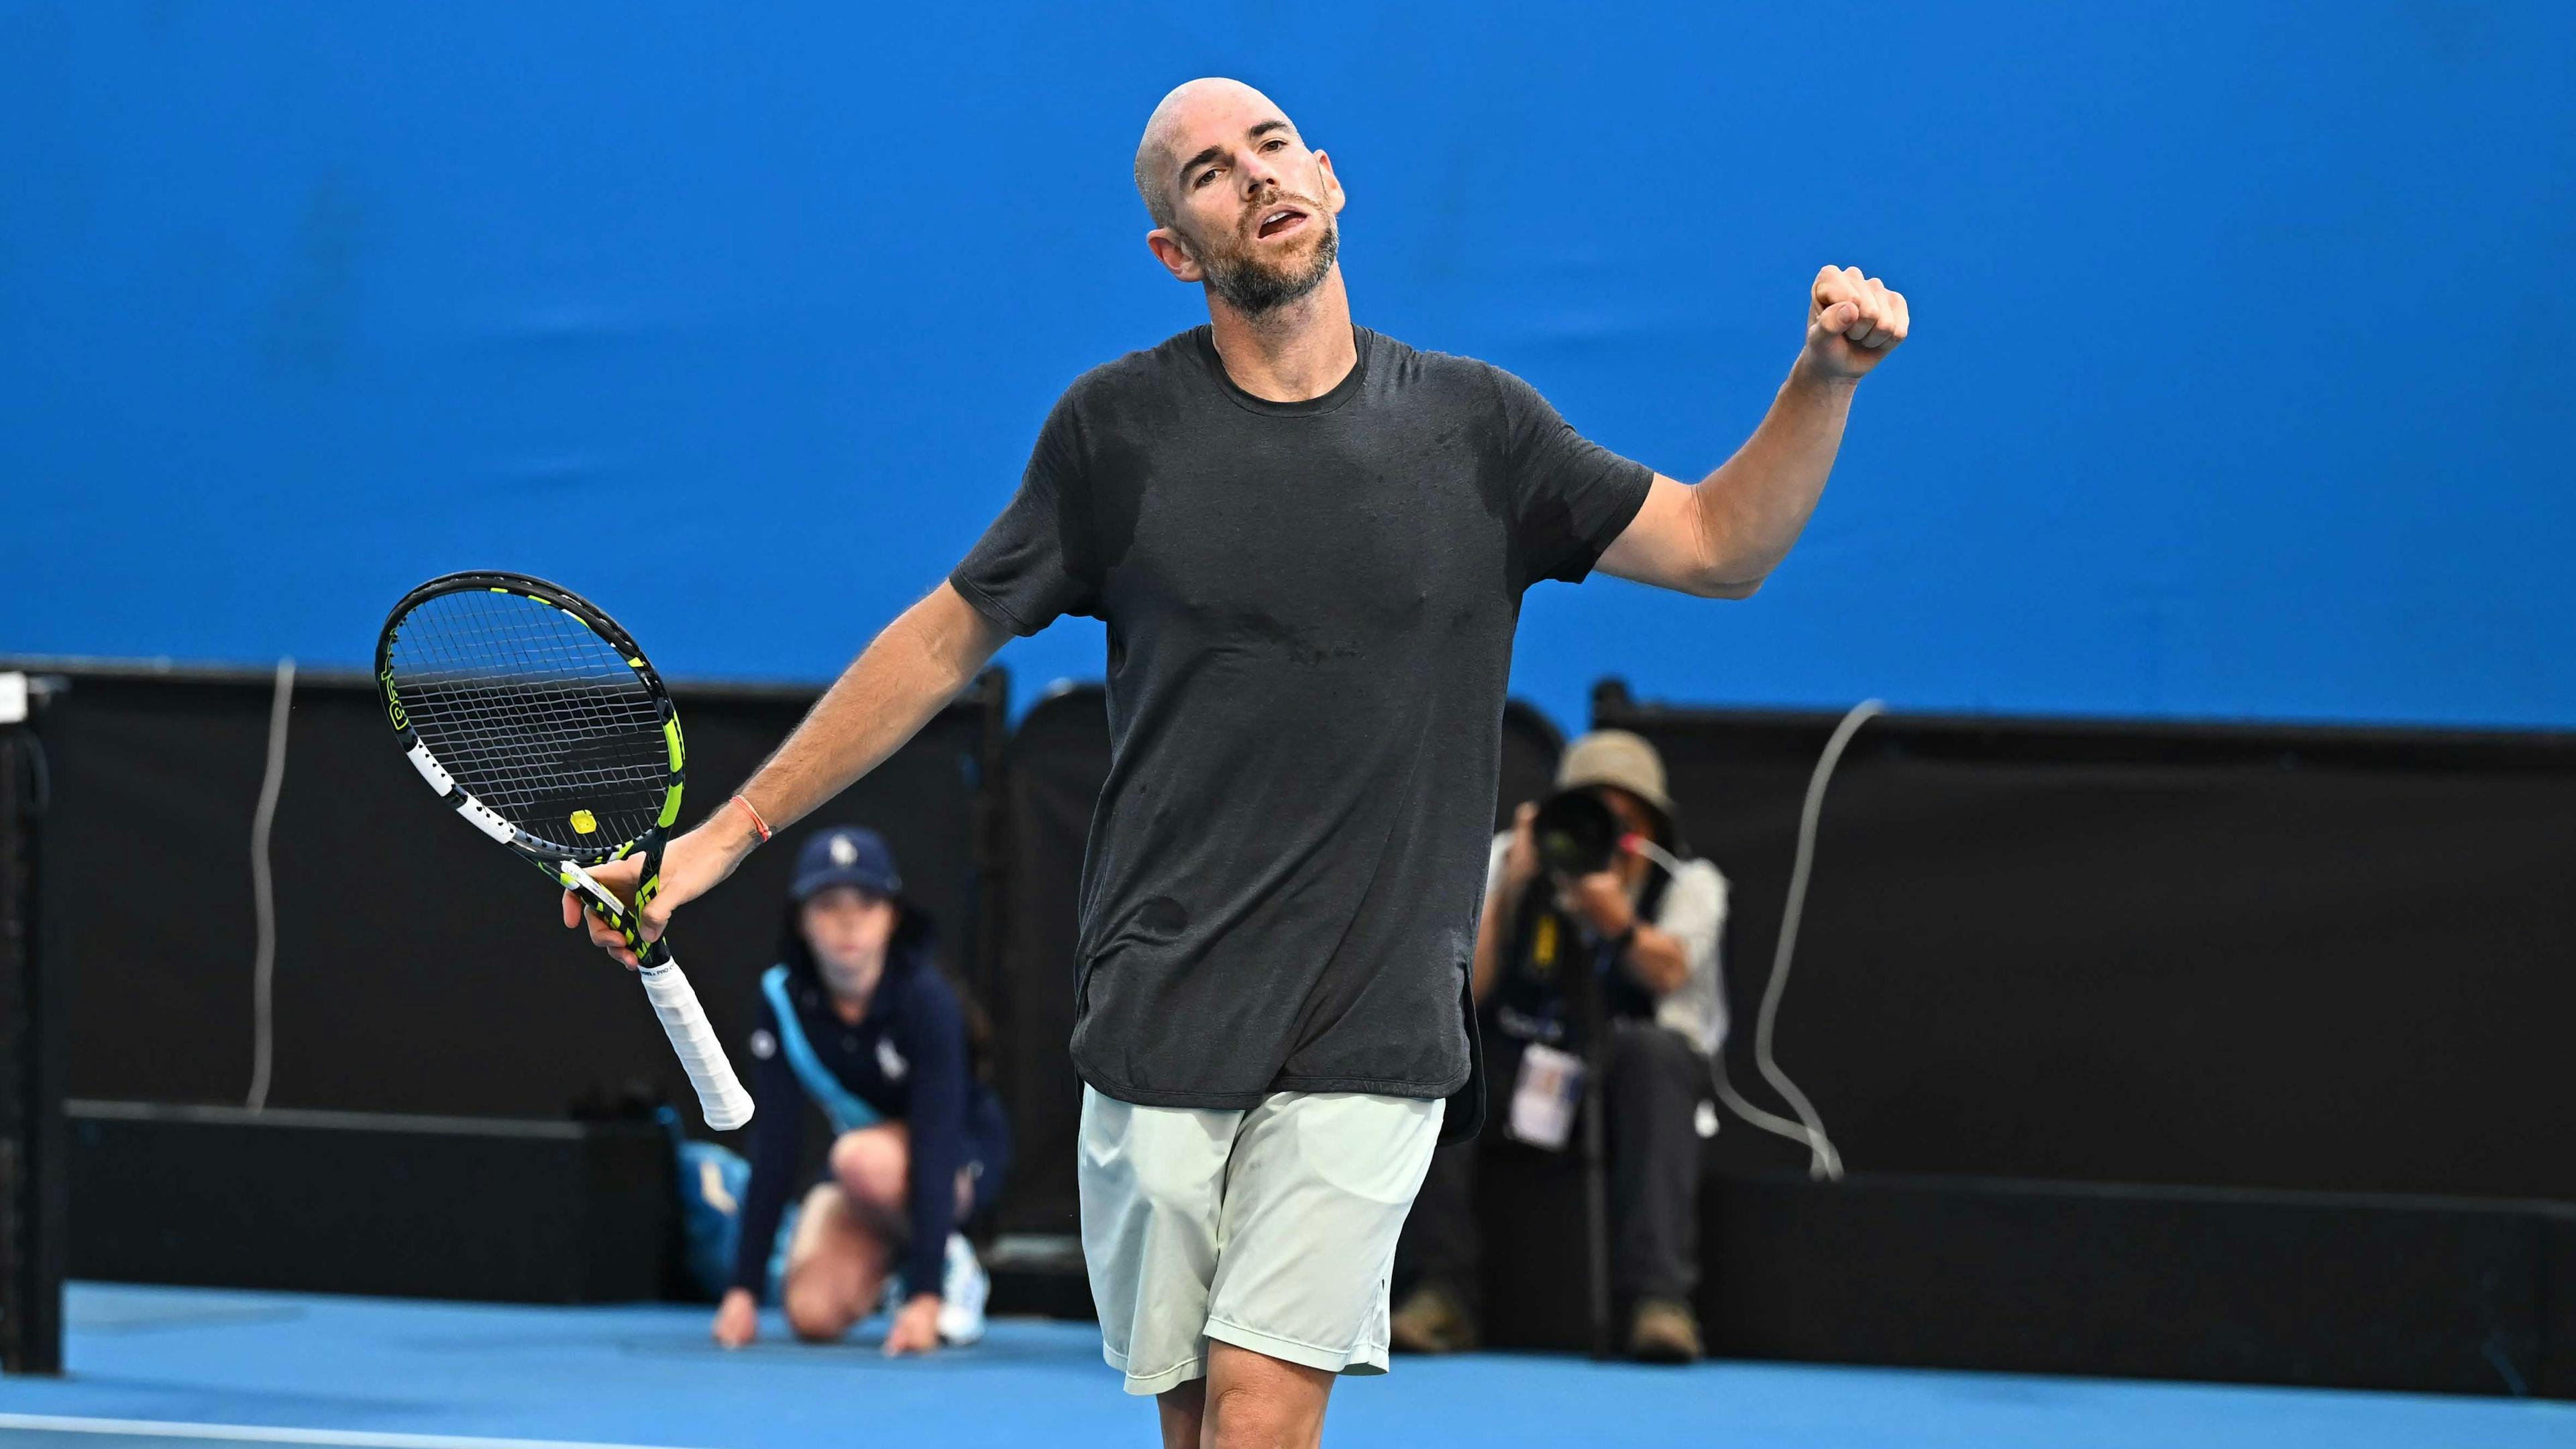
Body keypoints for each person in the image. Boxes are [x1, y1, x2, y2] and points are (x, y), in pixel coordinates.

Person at [566, 76, 1904, 1446]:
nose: (1252, 176)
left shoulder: (1481, 431)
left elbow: (1719, 547)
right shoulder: (1112, 435)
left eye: (1271, 147)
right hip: (1161, 1000)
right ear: (1175, 249)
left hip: (1372, 1015)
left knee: (1264, 1414)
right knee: (1199, 1420)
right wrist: (714, 844)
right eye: (1207, 171)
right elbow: (938, 647)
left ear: (1329, 179)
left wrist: (1822, 381)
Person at [1391, 730, 1727, 1364]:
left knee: (1655, 1054)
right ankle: (1439, 1294)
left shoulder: (1688, 883)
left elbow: (1668, 972)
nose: (1604, 833)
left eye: (1623, 819)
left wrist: (1613, 916)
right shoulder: (1508, 858)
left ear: (1651, 827)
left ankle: (1659, 1304)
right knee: (1444, 1053)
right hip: (1521, 1069)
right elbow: (1467, 991)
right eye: (1589, 812)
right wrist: (1510, 889)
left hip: (1625, 1081)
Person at [708, 825, 1011, 1356]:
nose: (848, 921)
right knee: (811, 1314)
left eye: (866, 903)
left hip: (956, 1158)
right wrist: (743, 1291)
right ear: (801, 920)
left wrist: (925, 1298)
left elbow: (937, 1139)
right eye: (828, 905)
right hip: (869, 1174)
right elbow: (774, 1143)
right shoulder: (783, 1002)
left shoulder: (927, 999)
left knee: (859, 1159)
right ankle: (903, 1258)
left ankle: (946, 1265)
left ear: (892, 916)